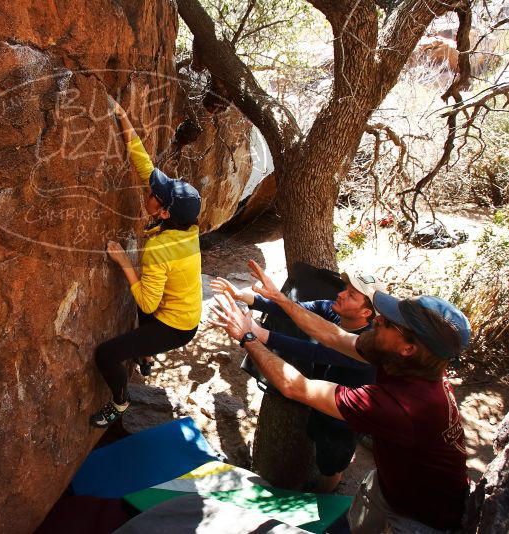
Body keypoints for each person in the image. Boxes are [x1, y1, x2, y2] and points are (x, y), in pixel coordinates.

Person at [210, 259, 470, 533]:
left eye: (391, 323)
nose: (379, 319)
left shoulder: (400, 405)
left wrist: (248, 337)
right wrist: (276, 297)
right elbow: (333, 335)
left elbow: (296, 387)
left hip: (420, 518)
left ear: (408, 348)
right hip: (388, 487)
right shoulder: (402, 360)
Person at [210, 272, 385, 493]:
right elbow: (294, 310)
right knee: (318, 440)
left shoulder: (365, 346)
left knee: (331, 464)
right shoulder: (334, 310)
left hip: (344, 419)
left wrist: (255, 333)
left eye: (350, 295)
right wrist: (243, 296)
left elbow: (315, 352)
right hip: (322, 401)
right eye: (345, 289)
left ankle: (326, 495)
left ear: (366, 312)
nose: (340, 294)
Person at [90, 97, 202, 428]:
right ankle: (145, 353)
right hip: (180, 305)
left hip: (177, 326)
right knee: (146, 307)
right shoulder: (186, 224)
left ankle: (119, 403)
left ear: (164, 211)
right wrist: (122, 117)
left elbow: (147, 301)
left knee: (106, 355)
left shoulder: (162, 249)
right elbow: (145, 167)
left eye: (156, 195)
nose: (150, 192)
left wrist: (125, 262)